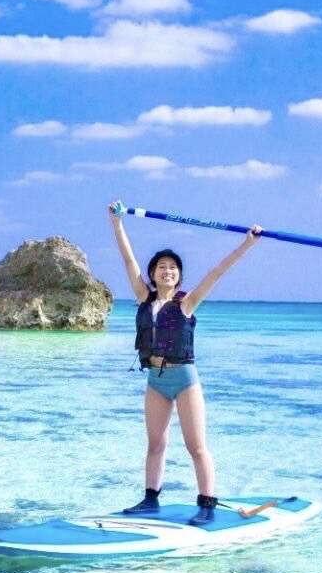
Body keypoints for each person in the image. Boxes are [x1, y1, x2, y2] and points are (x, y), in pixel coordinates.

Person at [108, 200, 263, 524]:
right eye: (162, 267)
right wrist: (117, 223)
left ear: (178, 277)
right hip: (156, 380)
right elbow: (127, 258)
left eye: (173, 268)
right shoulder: (143, 297)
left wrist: (246, 244)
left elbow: (217, 272)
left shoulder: (187, 302)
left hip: (184, 379)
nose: (168, 271)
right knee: (155, 444)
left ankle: (206, 504)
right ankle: (151, 500)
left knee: (196, 446)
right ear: (152, 274)